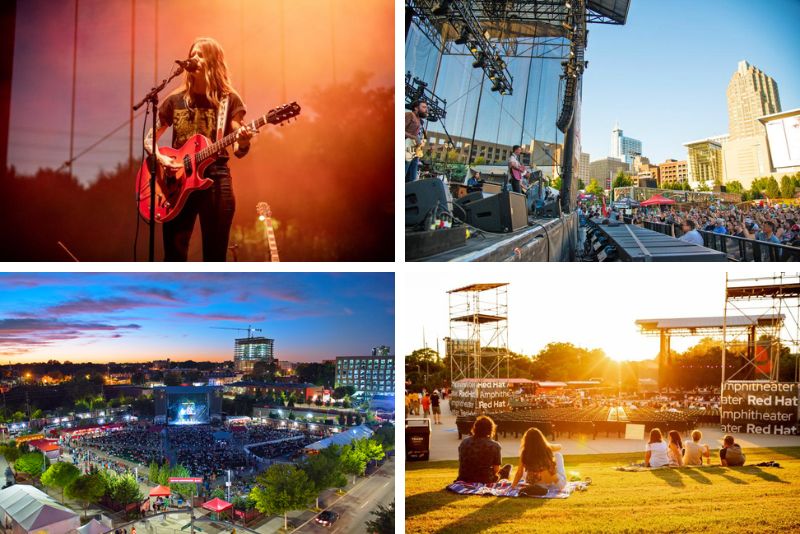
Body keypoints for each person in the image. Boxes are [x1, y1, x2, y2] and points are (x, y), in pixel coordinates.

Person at [144, 37, 254, 261]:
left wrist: (243, 141)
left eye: (201, 54)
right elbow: (149, 140)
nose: (194, 58)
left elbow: (237, 146)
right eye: (192, 53)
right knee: (174, 256)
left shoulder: (229, 100)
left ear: (213, 62)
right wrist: (162, 160)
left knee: (215, 255)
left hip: (216, 179)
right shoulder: (174, 100)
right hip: (177, 181)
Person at [457, 416, 512, 483]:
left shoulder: (464, 442)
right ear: (491, 429)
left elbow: (461, 462)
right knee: (507, 468)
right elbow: (496, 469)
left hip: (464, 477)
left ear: (475, 428)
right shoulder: (494, 445)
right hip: (484, 479)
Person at [510, 427, 567, 493]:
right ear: (541, 439)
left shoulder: (525, 453)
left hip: (536, 483)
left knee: (525, 471)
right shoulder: (547, 450)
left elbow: (519, 473)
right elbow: (559, 447)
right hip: (554, 483)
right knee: (558, 455)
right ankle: (544, 485)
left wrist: (513, 486)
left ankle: (541, 486)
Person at [405, 100, 427, 182]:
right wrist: (414, 137)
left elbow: (421, 137)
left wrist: (421, 141)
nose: (426, 109)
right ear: (416, 108)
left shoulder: (421, 122)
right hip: (406, 149)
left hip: (414, 151)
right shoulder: (409, 115)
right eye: (424, 107)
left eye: (426, 107)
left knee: (411, 179)